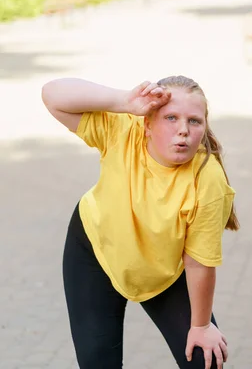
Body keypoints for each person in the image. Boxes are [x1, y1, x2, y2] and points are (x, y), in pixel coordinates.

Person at [41, 75, 239, 369]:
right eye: (171, 117)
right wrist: (123, 102)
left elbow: (199, 263)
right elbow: (52, 95)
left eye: (194, 121)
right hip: (96, 252)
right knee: (97, 361)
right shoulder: (124, 131)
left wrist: (200, 327)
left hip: (163, 270)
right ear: (148, 124)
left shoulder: (207, 179)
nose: (183, 130)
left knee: (204, 361)